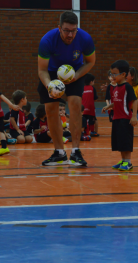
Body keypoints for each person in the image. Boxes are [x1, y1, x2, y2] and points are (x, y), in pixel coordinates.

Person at [37, 11, 96, 166]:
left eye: (73, 30)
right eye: (66, 31)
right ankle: (59, 153)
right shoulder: (47, 40)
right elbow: (42, 70)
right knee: (50, 109)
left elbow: (90, 62)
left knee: (75, 104)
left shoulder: (85, 39)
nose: (70, 35)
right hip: (51, 73)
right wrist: (50, 85)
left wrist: (76, 76)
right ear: (59, 28)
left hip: (75, 71)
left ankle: (76, 152)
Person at [102, 60, 138, 171]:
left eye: (114, 74)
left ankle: (128, 162)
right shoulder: (116, 87)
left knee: (126, 141)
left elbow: (135, 101)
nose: (112, 76)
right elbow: (117, 102)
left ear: (123, 74)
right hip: (116, 118)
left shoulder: (127, 87)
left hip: (125, 118)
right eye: (111, 73)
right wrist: (108, 107)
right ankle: (123, 161)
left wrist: (134, 116)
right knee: (120, 141)